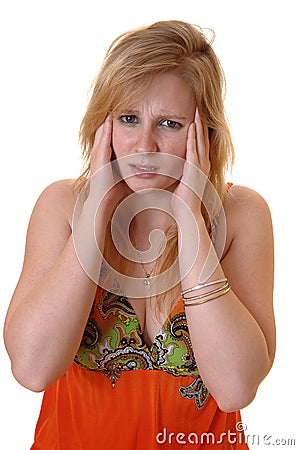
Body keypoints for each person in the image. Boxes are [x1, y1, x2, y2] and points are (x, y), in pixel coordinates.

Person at [3, 20, 275, 449]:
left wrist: (191, 219)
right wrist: (96, 210)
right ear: (103, 124)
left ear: (205, 132)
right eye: (129, 118)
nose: (144, 144)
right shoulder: (62, 207)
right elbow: (32, 369)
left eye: (169, 123)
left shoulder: (242, 215)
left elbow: (235, 387)